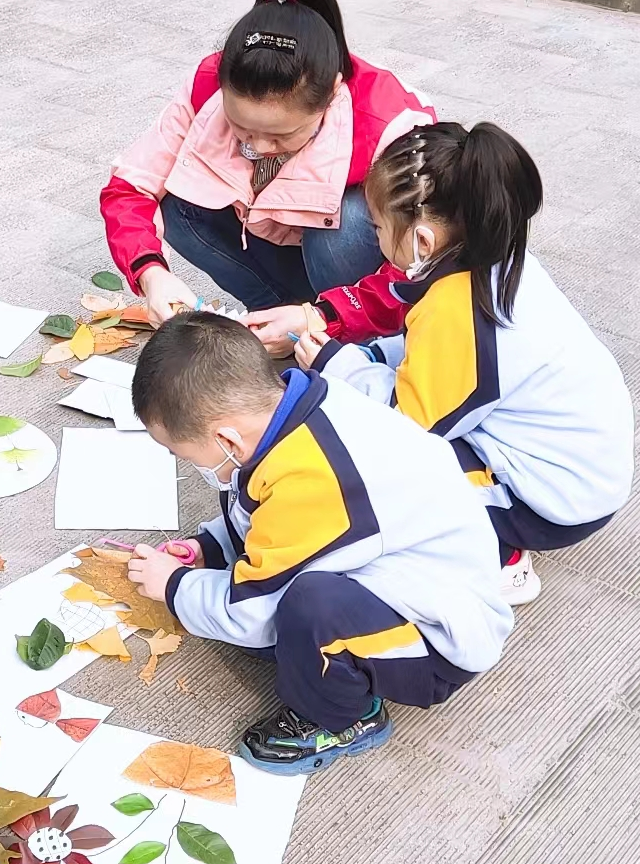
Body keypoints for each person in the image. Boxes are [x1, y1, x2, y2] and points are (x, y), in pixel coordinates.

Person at [127, 313, 512, 776]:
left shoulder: (314, 479)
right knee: (281, 610)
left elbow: (248, 612)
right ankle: (328, 662)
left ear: (226, 438)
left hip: (440, 636)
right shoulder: (288, 413)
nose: (188, 465)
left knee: (309, 608)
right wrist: (208, 548)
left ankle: (344, 718)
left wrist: (174, 587)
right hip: (398, 573)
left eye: (182, 454)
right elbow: (262, 522)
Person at [298, 122, 634, 605]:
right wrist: (368, 355)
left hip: (555, 501)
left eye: (376, 227)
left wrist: (338, 364)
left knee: (388, 471)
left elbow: (408, 427)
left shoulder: (459, 313)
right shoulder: (491, 264)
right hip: (582, 468)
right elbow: (426, 355)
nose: (374, 239)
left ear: (422, 242)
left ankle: (499, 558)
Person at [100, 0, 435, 326]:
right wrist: (151, 273)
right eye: (240, 127)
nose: (258, 146)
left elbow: (431, 255)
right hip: (275, 242)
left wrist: (325, 317)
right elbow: (129, 188)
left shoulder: (387, 123)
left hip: (355, 274)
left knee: (344, 227)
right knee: (176, 199)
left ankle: (348, 333)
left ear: (332, 93)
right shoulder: (207, 85)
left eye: (279, 135)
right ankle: (274, 316)